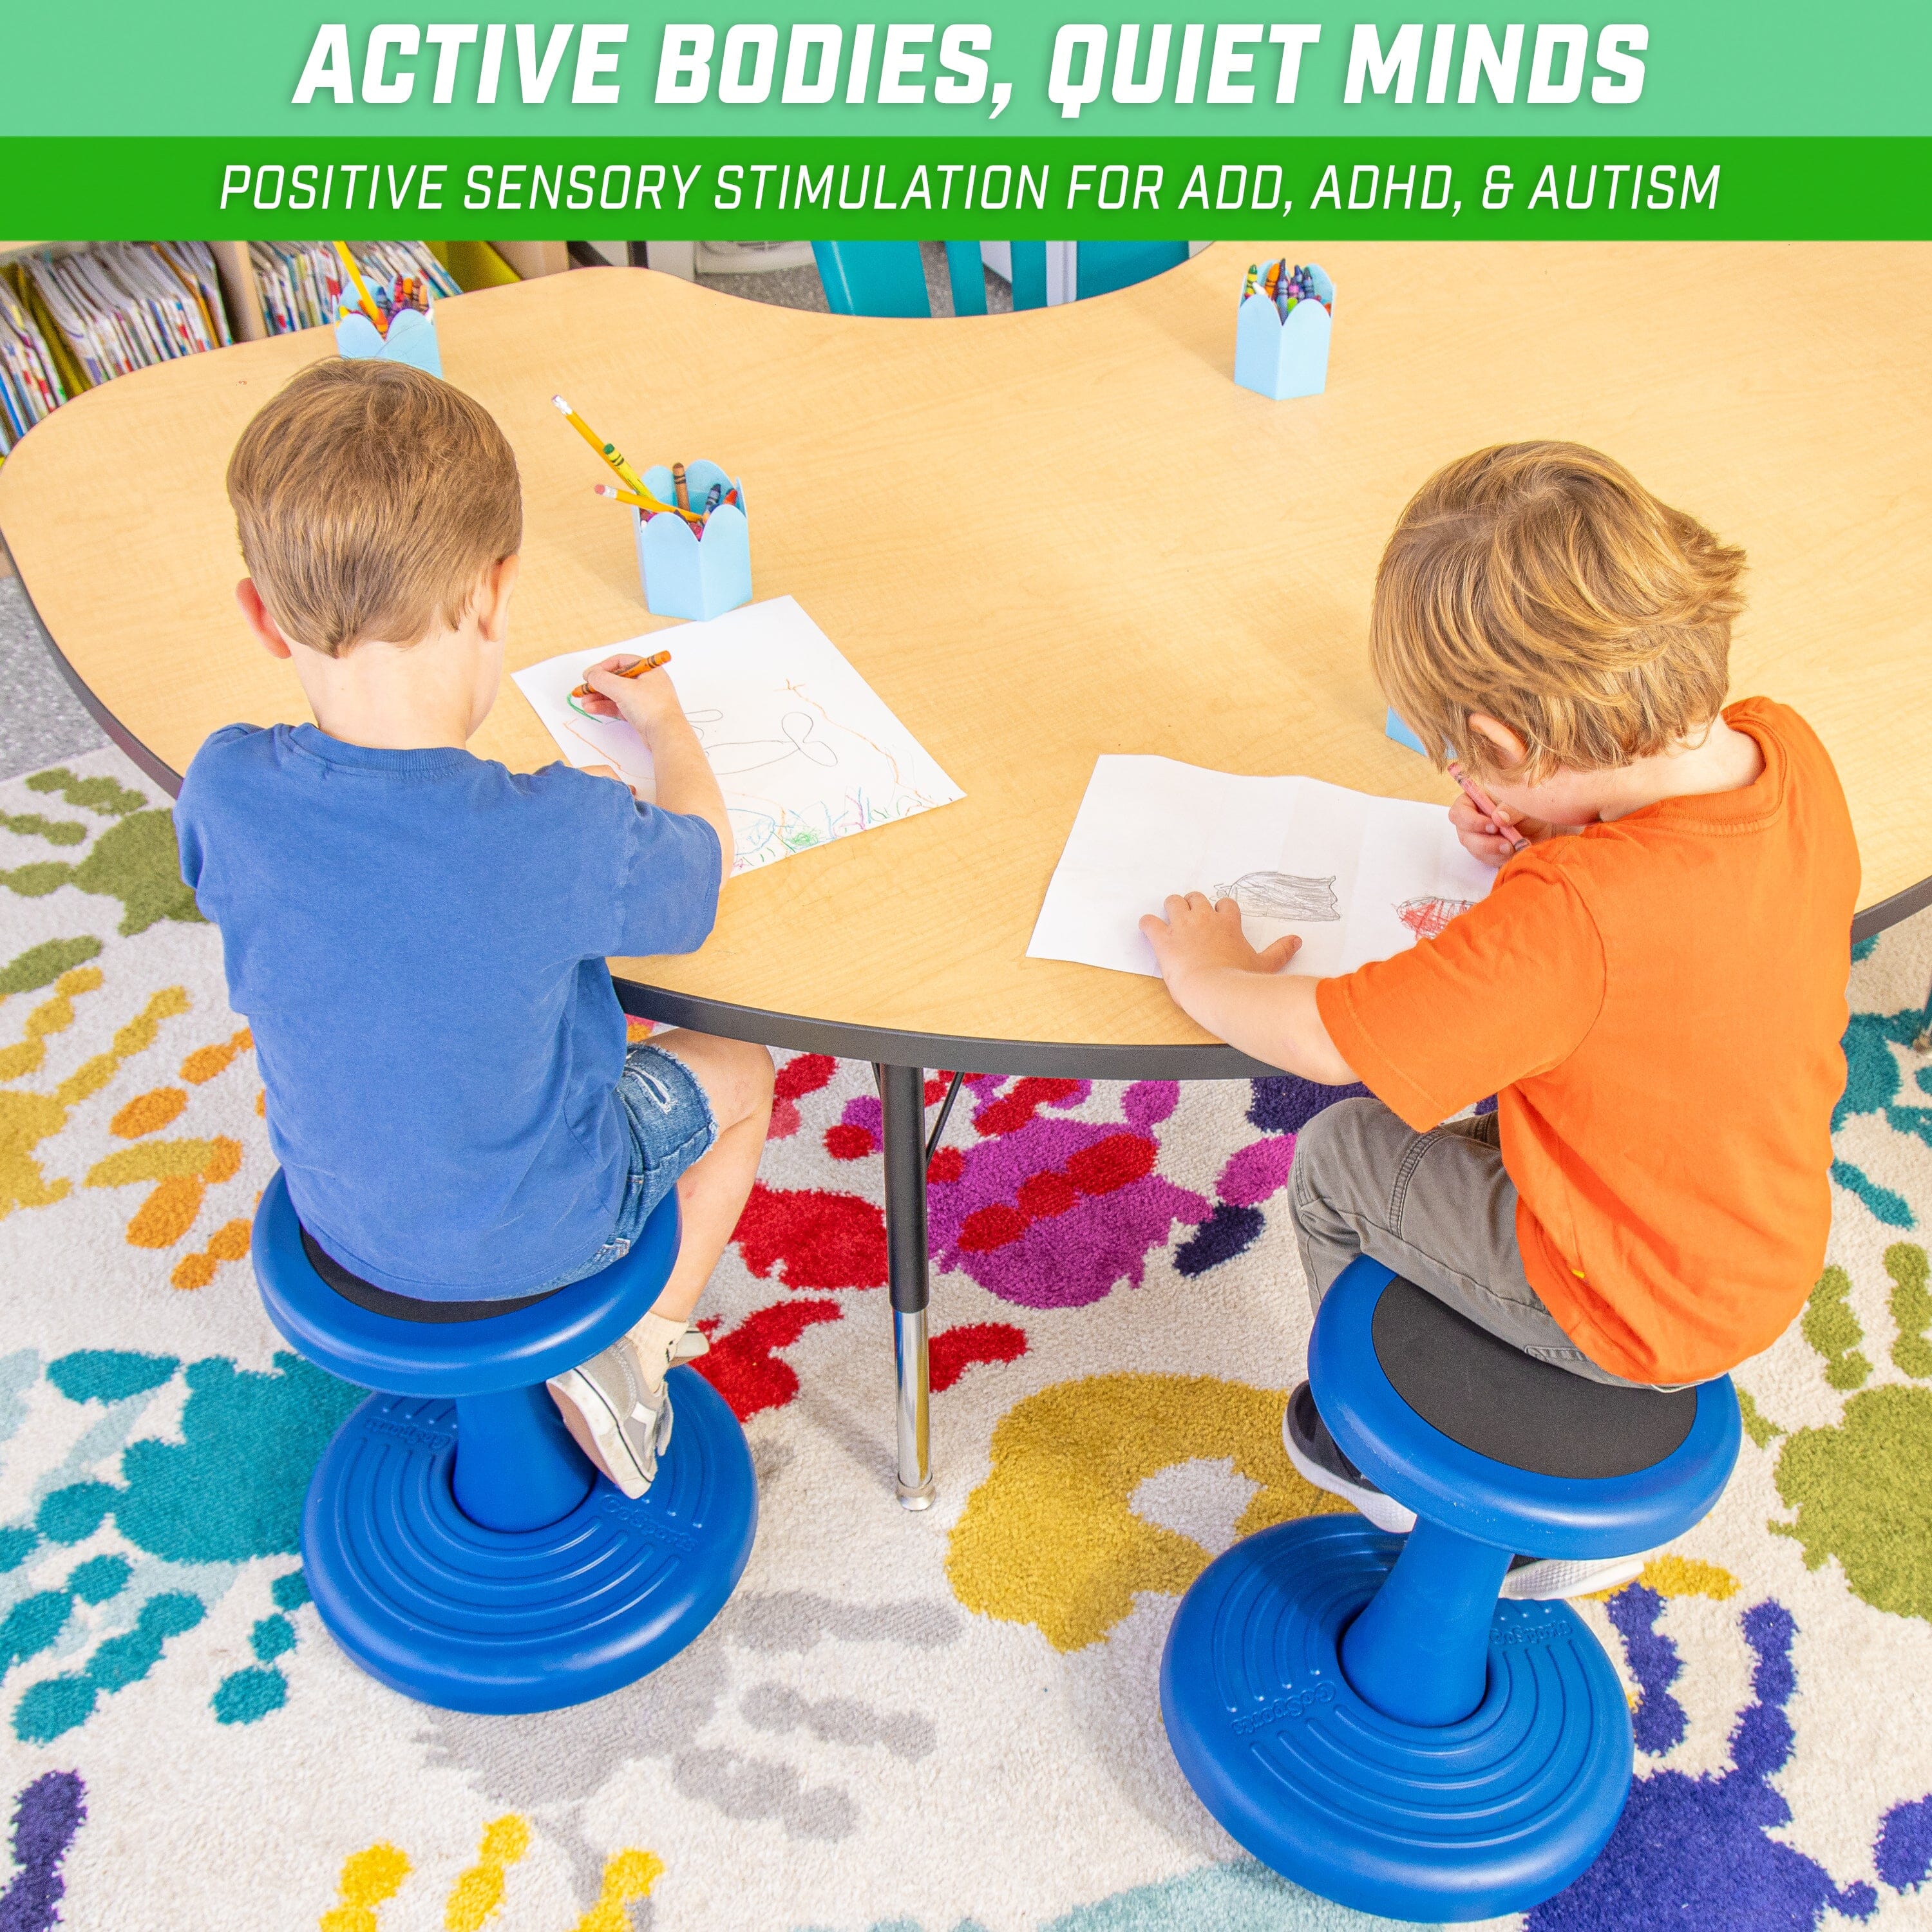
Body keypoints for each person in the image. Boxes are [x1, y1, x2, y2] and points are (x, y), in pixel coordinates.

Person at [1140, 442, 1858, 1598]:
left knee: (1338, 1157)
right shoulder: (1786, 750)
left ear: (1512, 749)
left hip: (1626, 1304)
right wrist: (1554, 826)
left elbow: (1330, 1040)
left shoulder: (1572, 914)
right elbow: (1681, 942)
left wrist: (1208, 969)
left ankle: (1381, 1451)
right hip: (1750, 1237)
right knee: (1481, 1118)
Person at [176, 357, 773, 1500]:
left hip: (340, 1228)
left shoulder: (222, 788)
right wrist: (667, 725)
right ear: (498, 593)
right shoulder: (562, 831)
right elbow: (696, 879)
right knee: (739, 1066)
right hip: (549, 1238)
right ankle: (640, 1342)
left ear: (260, 616)